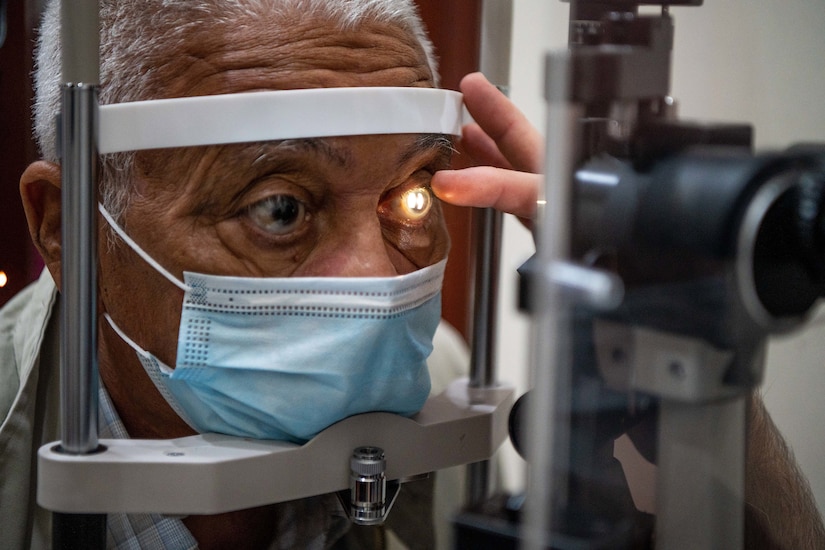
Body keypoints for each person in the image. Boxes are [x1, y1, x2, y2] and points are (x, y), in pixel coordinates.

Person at [0, 0, 822, 548]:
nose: (373, 280)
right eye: (280, 208)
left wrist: (694, 360)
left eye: (413, 195)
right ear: (65, 230)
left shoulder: (443, 386)